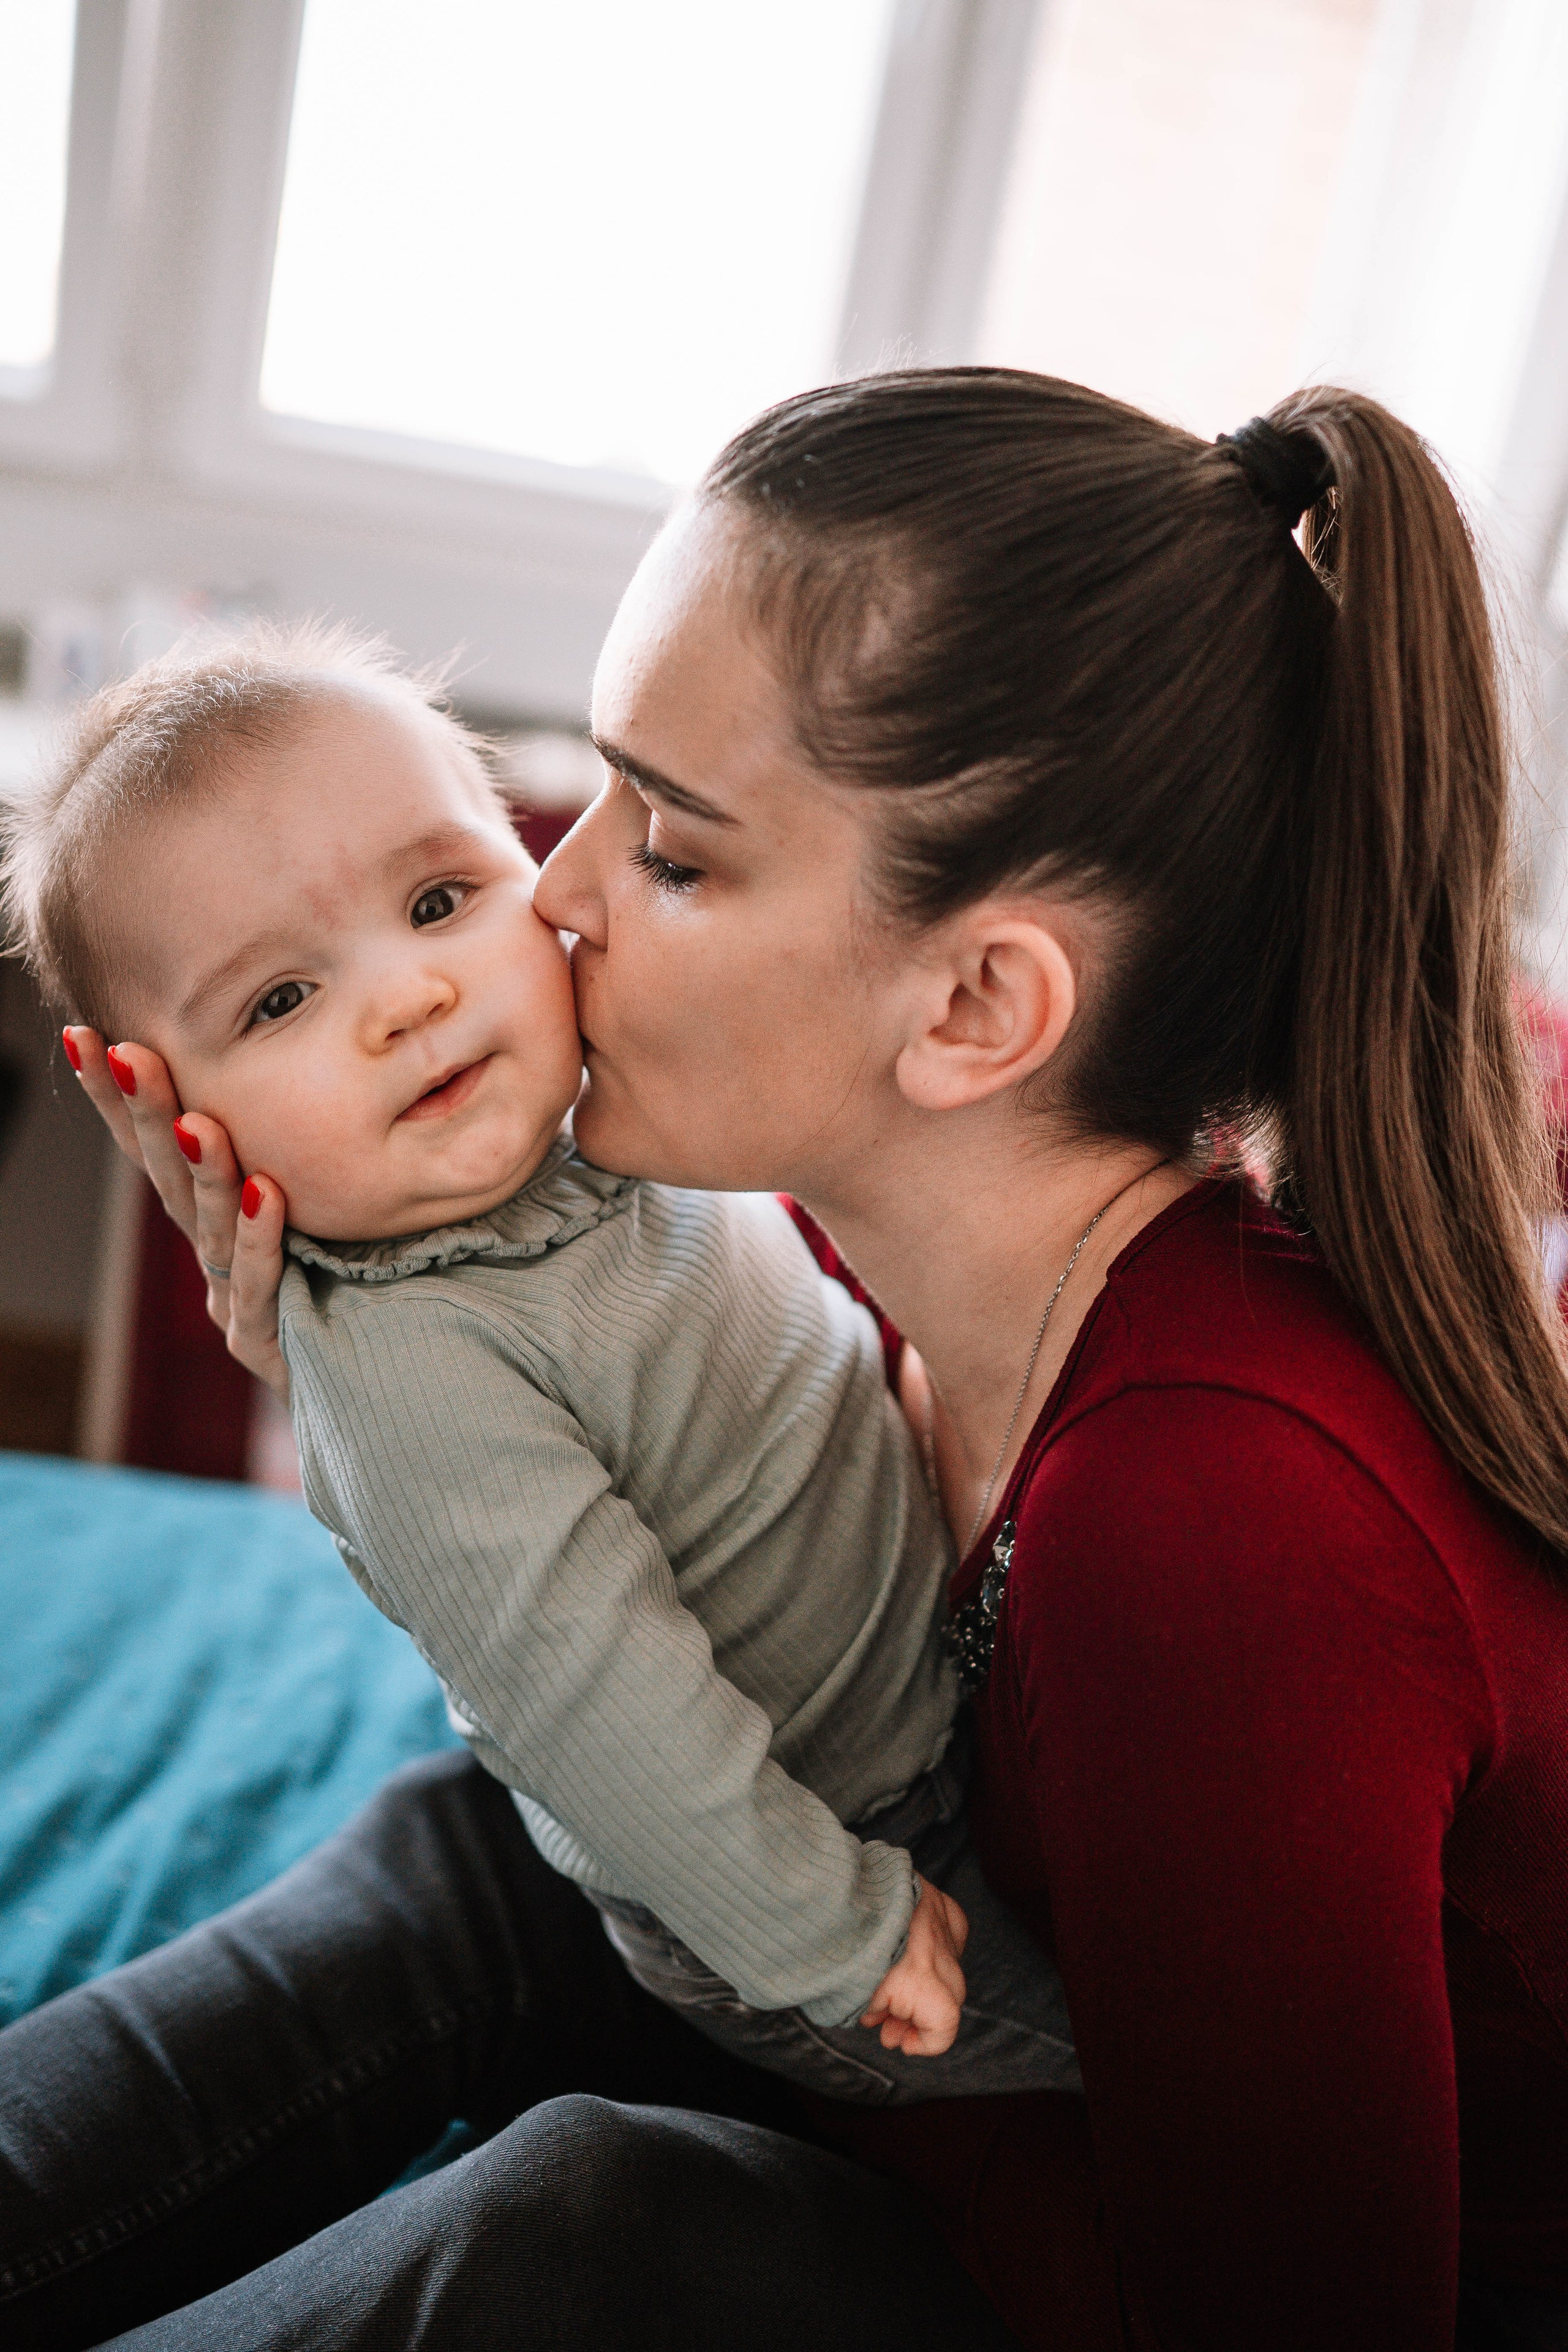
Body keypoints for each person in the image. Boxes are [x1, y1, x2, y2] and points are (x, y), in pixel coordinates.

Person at [5, 367, 1567, 2351]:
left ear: (976, 1008)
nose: (554, 895)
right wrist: (361, 1350)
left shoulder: (1218, 1532)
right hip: (965, 2003)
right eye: (585, 796)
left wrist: (839, 2090)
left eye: (670, 849)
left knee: (589, 2220)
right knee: (485, 1848)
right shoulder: (866, 1240)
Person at [1, 624, 1082, 2097]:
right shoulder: (415, 1375)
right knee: (1159, 2051)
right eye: (280, 1000)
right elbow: (597, 1707)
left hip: (936, 1688)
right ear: (171, 1116)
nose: (406, 999)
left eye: (438, 901)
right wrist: (827, 1927)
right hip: (831, 1848)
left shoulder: (607, 1102)